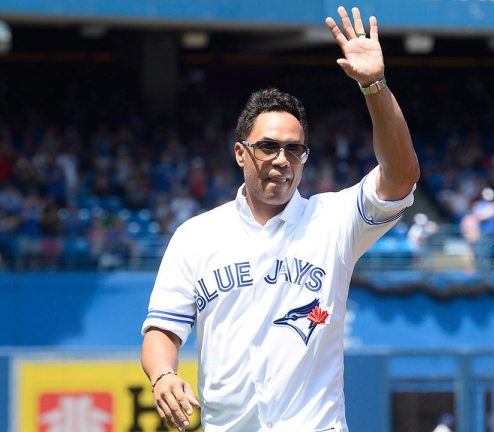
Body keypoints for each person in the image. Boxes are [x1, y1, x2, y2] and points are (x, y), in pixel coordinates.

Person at [139, 6, 419, 431]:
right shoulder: (196, 236)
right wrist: (162, 375)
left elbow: (401, 176)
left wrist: (374, 86)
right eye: (268, 146)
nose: (281, 160)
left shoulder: (333, 221)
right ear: (240, 153)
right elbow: (162, 330)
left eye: (294, 150)